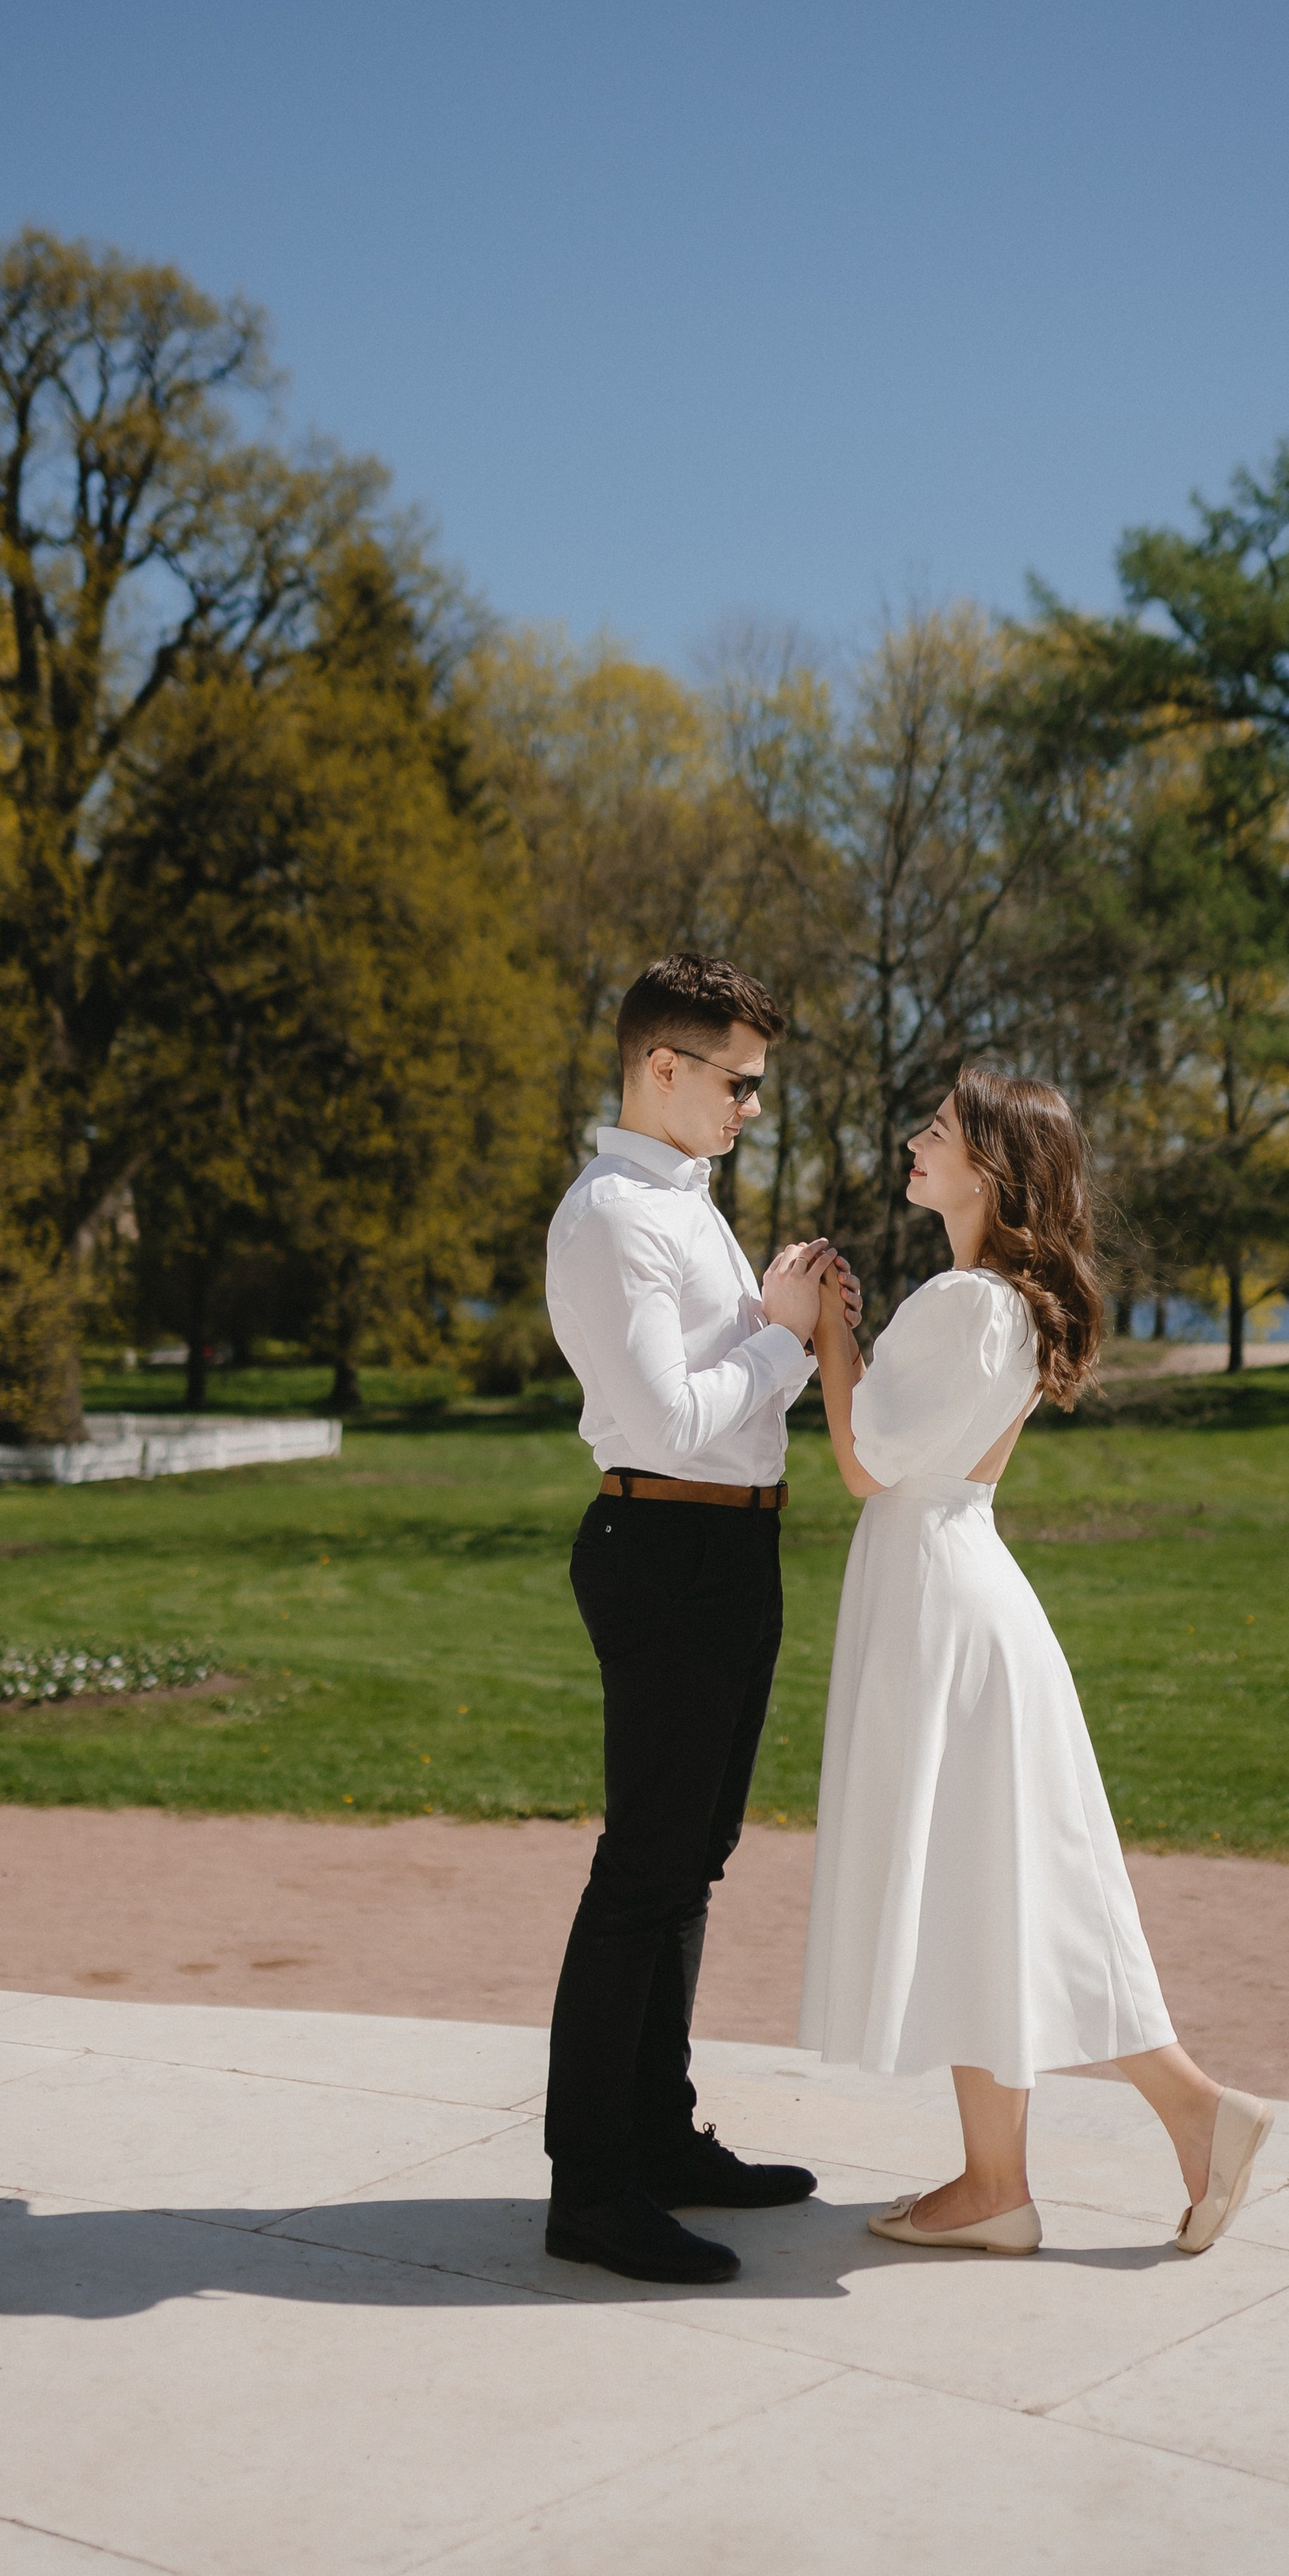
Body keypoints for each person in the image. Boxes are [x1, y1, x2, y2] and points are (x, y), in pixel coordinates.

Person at [798, 1068, 1272, 2257]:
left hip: (940, 1608)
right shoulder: (999, 1303)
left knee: (993, 1884)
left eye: (938, 1131)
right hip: (958, 1591)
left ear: (992, 1169)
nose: (914, 1143)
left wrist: (828, 1332)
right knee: (989, 1887)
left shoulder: (964, 1302)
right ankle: (999, 2184)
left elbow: (862, 1465)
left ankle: (1183, 2112)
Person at [541, 952, 855, 2286]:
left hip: (726, 1549)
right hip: (663, 1544)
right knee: (646, 1869)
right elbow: (670, 1421)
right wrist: (784, 1337)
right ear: (662, 1066)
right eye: (738, 1082)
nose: (751, 1107)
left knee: (689, 1857)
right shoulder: (616, 1215)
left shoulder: (684, 1200)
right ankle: (591, 2188)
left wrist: (777, 1321)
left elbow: (708, 1391)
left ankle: (657, 2140)